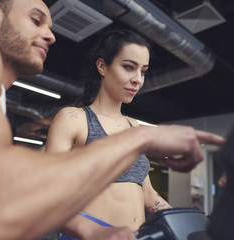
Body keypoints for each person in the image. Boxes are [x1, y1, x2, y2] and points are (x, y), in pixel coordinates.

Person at [0, 0, 225, 239]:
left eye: (143, 72)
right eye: (36, 19)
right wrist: (143, 138)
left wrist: (187, 222)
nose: (52, 35)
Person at [45, 29, 173, 239]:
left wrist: (185, 221)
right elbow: (47, 194)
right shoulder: (74, 119)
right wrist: (95, 231)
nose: (138, 79)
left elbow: (148, 193)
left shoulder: (135, 127)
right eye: (129, 67)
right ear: (102, 66)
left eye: (143, 71)